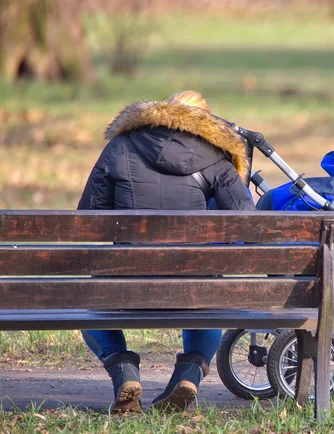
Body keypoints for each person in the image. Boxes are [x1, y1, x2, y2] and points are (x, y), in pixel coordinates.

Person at [77, 91, 254, 412]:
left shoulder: (120, 146)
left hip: (125, 284)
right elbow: (246, 223)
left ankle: (124, 371)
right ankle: (188, 373)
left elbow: (88, 218)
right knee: (208, 294)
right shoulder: (217, 157)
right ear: (206, 123)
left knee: (88, 300)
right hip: (191, 285)